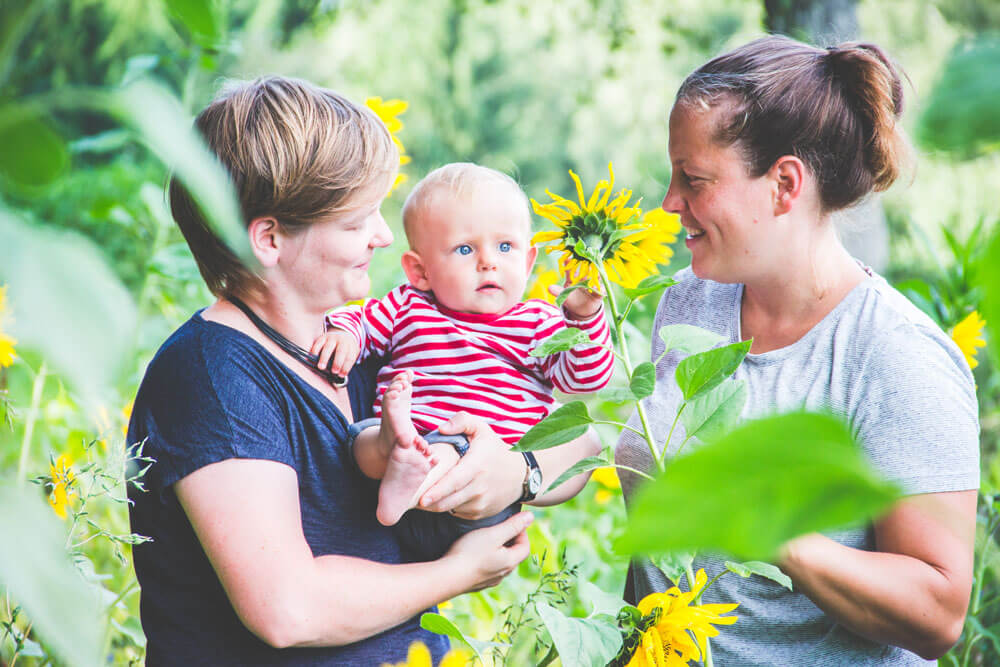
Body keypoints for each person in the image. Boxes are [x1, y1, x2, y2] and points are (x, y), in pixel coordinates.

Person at [126, 76, 601, 665]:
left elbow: (585, 441)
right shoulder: (213, 377)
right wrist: (457, 572)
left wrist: (517, 474)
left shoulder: (358, 350)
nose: (381, 236)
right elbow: (287, 610)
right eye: (357, 222)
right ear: (270, 238)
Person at [615, 35, 979, 665]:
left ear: (784, 183)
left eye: (693, 179)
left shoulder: (895, 356)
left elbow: (938, 611)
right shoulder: (692, 300)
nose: (671, 202)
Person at [313, 163, 614, 559]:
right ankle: (398, 449)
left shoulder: (538, 324)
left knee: (455, 446)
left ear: (527, 263)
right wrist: (344, 334)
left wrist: (584, 317)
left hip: (478, 496)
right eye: (465, 249)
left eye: (505, 247)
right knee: (362, 439)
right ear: (419, 271)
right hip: (391, 482)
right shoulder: (409, 305)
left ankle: (412, 465)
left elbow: (585, 379)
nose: (488, 262)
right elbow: (362, 320)